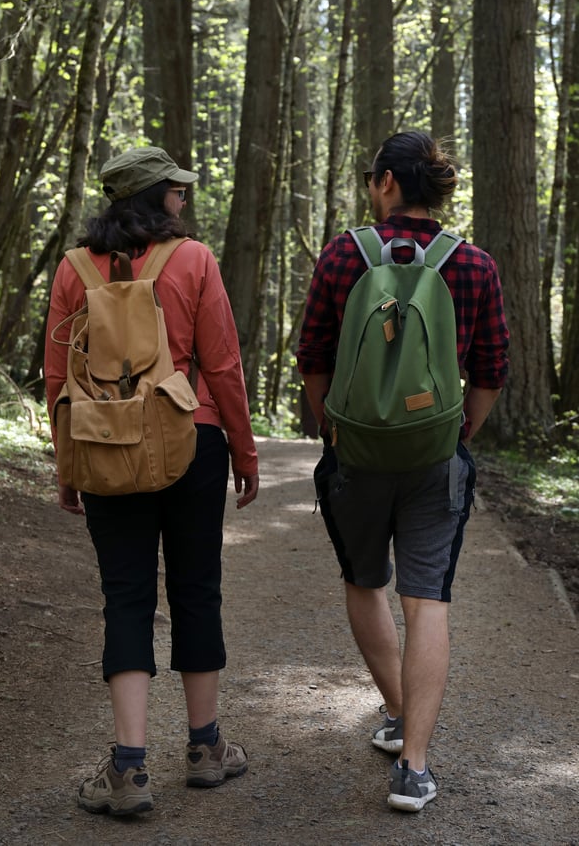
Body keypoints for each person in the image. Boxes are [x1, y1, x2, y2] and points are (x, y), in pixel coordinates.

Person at [296, 131, 509, 812]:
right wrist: (459, 425)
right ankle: (413, 766)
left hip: (356, 456)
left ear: (386, 182)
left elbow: (314, 357)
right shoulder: (473, 264)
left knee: (365, 582)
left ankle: (394, 708)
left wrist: (335, 426)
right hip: (435, 458)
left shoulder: (342, 255)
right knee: (428, 600)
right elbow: (493, 369)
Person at [45, 146, 259, 816]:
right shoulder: (192, 260)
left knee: (127, 598)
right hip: (190, 440)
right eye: (178, 191)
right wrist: (244, 454)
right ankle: (204, 750)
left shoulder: (73, 269)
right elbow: (223, 364)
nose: (184, 202)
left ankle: (129, 772)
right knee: (197, 589)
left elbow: (59, 383)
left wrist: (67, 465)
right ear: (156, 197)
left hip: (105, 447)